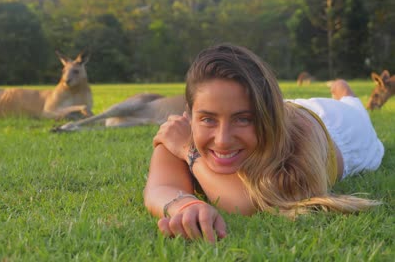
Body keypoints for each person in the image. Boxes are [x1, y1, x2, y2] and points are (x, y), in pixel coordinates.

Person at [143, 44, 384, 243]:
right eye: (207, 118)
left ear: (267, 118)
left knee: (353, 105)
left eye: (243, 119)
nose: (223, 140)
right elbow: (159, 187)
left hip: (342, 127)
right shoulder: (181, 131)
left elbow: (246, 203)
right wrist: (185, 205)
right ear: (190, 113)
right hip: (286, 107)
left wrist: (188, 150)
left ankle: (343, 89)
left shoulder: (296, 146)